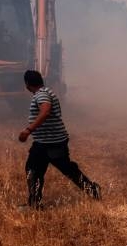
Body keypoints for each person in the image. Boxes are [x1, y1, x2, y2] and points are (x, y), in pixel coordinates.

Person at [19, 70, 100, 208]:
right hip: (51, 142)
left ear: (27, 84)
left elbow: (45, 111)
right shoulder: (46, 91)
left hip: (48, 143)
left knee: (33, 171)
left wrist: (28, 130)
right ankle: (93, 191)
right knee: (65, 170)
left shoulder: (42, 95)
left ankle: (35, 204)